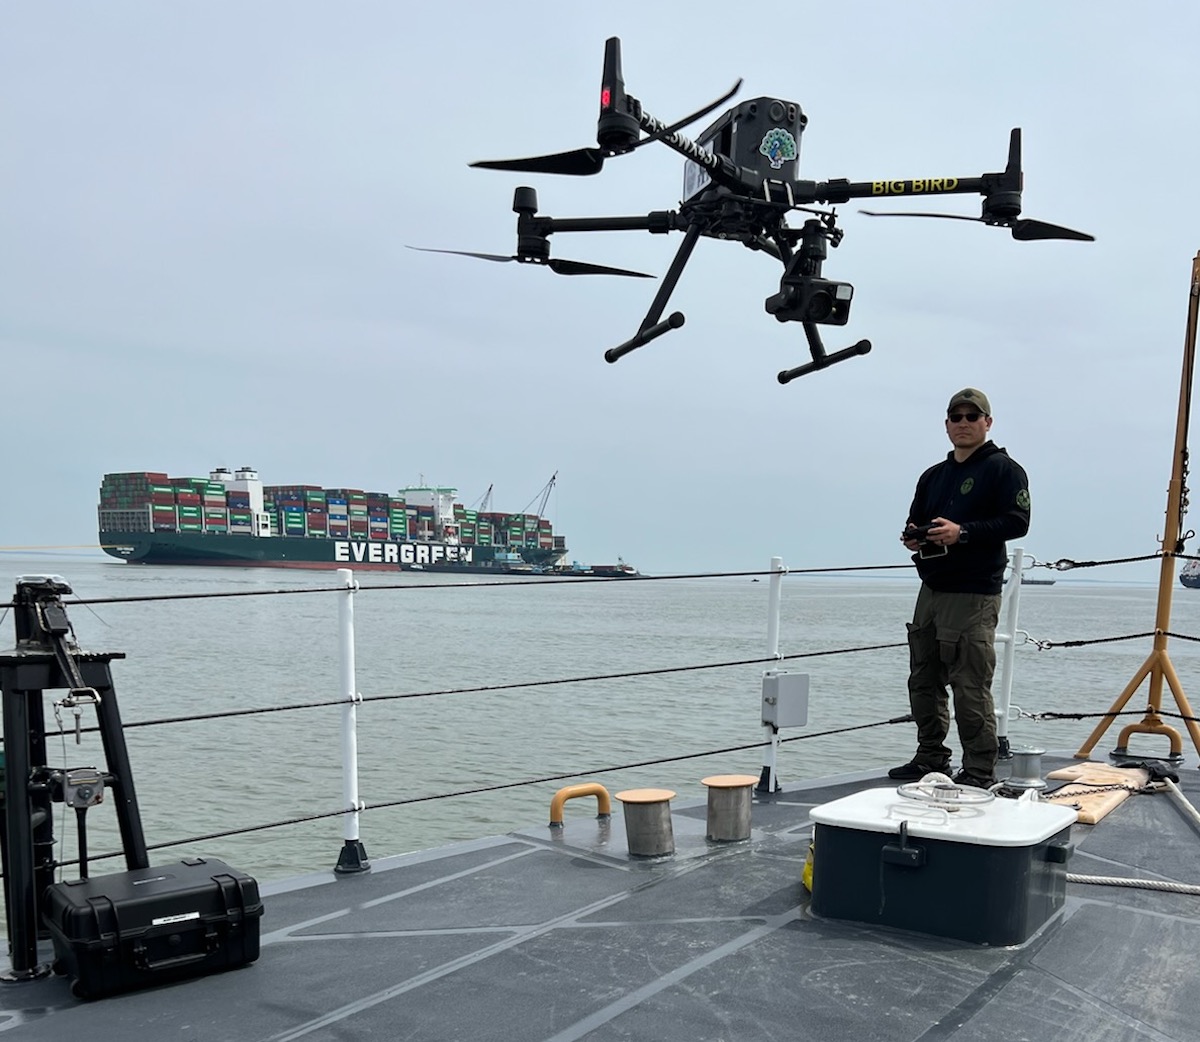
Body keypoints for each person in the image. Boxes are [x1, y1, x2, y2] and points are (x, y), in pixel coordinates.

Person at [888, 388, 1031, 788]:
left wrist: (962, 532)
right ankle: (930, 758)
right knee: (924, 678)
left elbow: (1017, 522)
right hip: (932, 588)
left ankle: (980, 770)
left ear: (988, 422)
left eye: (973, 416)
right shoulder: (933, 475)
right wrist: (915, 539)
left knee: (970, 685)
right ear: (946, 423)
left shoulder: (1005, 470)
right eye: (957, 416)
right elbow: (916, 520)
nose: (964, 423)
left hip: (974, 593)